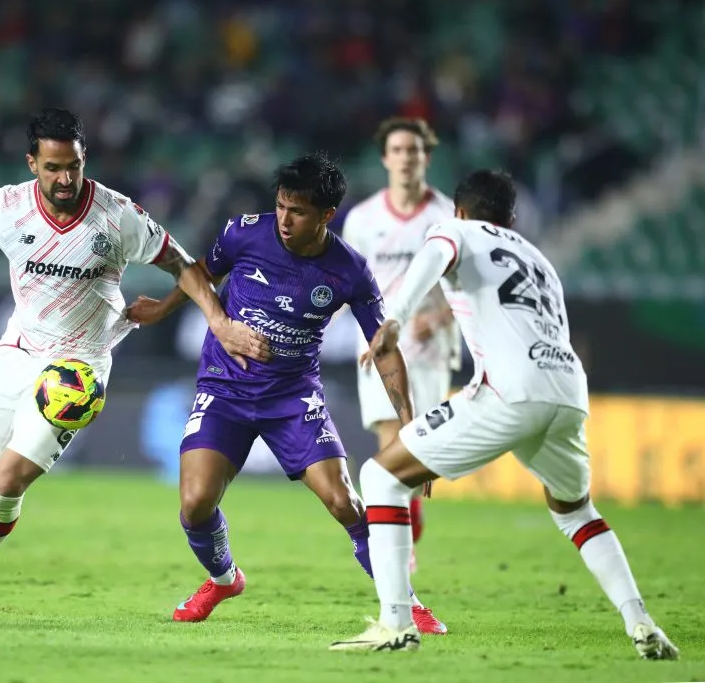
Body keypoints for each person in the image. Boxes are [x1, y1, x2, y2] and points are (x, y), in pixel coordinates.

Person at [0, 107, 270, 616]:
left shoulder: (117, 215)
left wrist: (217, 321)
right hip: (16, 351)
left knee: (6, 483)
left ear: (84, 160)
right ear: (32, 163)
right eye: (53, 168)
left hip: (79, 370)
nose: (65, 179)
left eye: (74, 166)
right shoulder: (7, 207)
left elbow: (181, 264)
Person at [331, 169, 678, 659]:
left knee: (381, 476)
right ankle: (640, 620)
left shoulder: (456, 230)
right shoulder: (539, 259)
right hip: (567, 390)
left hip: (508, 390)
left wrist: (394, 320)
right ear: (512, 218)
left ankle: (395, 623)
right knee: (576, 510)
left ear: (459, 211)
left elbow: (436, 254)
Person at [126, 153, 446, 634]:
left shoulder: (349, 271)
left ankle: (407, 602)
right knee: (194, 503)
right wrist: (167, 311)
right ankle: (223, 578)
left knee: (344, 502)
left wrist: (410, 425)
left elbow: (383, 348)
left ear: (326, 216)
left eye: (297, 211)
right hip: (225, 386)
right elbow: (198, 273)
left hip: (292, 396)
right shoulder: (244, 232)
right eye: (280, 206)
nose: (284, 219)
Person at [341, 117, 458, 571]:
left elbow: (471, 284)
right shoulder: (364, 219)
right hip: (377, 347)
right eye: (399, 150)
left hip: (430, 348)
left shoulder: (447, 216)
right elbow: (346, 278)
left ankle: (407, 518)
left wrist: (442, 316)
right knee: (392, 439)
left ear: (427, 157)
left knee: (418, 447)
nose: (407, 158)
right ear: (385, 158)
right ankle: (399, 547)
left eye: (415, 150)